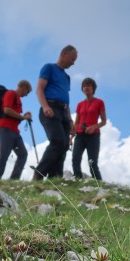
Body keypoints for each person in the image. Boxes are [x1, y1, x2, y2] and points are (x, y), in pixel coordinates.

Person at [32, 45, 78, 180]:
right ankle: (38, 174)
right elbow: (40, 89)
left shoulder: (67, 77)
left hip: (64, 111)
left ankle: (55, 179)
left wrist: (70, 121)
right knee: (57, 141)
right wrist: (45, 106)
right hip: (50, 108)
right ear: (64, 53)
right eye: (72, 58)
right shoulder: (49, 68)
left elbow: (66, 101)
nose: (73, 63)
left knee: (64, 145)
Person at [0, 80, 32, 180]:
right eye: (27, 92)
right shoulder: (10, 94)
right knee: (4, 154)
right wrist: (23, 117)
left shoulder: (18, 99)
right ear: (23, 87)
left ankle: (14, 179)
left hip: (14, 131)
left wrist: (24, 116)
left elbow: (15, 115)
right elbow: (7, 109)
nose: (26, 95)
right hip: (5, 128)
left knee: (23, 154)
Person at [72, 77, 106, 180]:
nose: (86, 87)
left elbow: (104, 121)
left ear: (93, 88)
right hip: (80, 135)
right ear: (82, 88)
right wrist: (71, 136)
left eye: (89, 85)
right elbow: (77, 122)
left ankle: (98, 184)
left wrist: (93, 127)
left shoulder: (99, 102)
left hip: (93, 135)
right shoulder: (80, 104)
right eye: (84, 85)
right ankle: (78, 182)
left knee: (92, 162)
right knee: (75, 159)